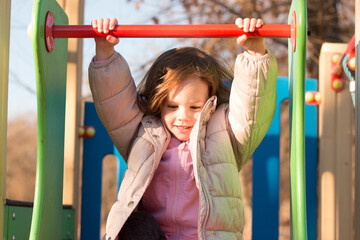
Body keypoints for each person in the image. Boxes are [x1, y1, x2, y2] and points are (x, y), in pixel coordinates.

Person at [89, 17, 278, 240]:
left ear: (210, 100)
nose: (183, 117)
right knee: (134, 225)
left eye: (195, 107)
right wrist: (105, 52)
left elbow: (251, 110)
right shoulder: (145, 135)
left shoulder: (224, 134)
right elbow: (116, 105)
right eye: (172, 106)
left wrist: (255, 56)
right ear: (159, 103)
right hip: (156, 236)